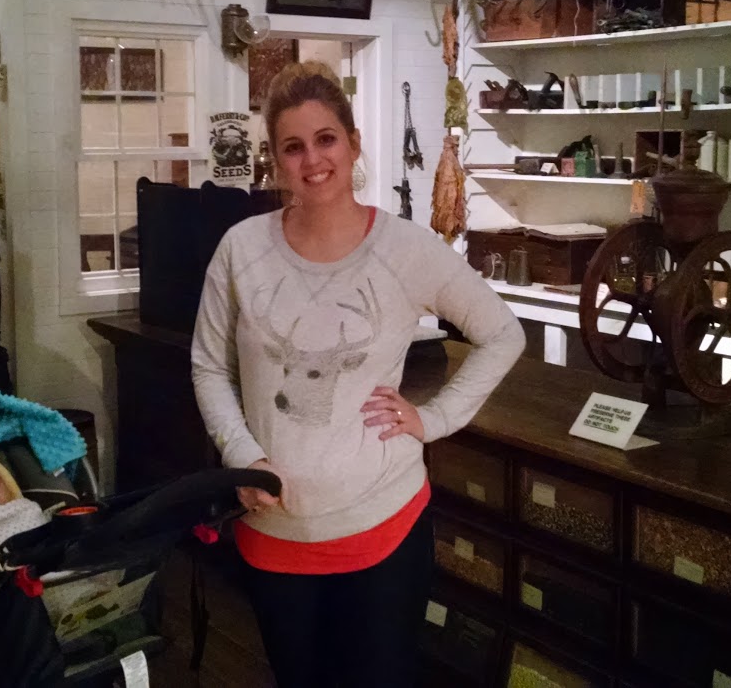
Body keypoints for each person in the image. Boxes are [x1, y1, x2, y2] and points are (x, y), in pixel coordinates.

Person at [191, 62, 524, 687]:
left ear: (353, 143)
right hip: (272, 531)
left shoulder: (406, 249)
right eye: (293, 146)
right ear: (276, 160)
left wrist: (435, 419)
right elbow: (209, 366)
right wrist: (241, 454)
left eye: (326, 139)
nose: (312, 160)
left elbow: (502, 333)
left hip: (382, 527)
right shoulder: (241, 248)